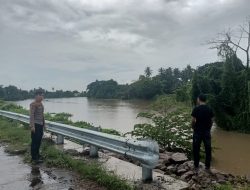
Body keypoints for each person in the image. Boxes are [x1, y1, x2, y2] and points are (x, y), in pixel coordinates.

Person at [191, 94, 214, 173]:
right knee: (208, 148)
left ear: (199, 99)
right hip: (206, 131)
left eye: (197, 99)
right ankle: (207, 166)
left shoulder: (196, 109)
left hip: (198, 131)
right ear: (205, 100)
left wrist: (193, 127)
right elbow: (212, 121)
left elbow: (193, 120)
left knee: (196, 148)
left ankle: (196, 165)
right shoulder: (209, 109)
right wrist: (209, 128)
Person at [30, 89, 45, 164]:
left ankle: (37, 155)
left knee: (39, 141)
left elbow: (42, 115)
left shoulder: (41, 104)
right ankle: (34, 158)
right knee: (35, 141)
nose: (42, 97)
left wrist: (44, 124)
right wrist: (32, 126)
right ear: (37, 96)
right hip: (35, 125)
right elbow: (31, 116)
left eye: (42, 95)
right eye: (41, 95)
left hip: (40, 125)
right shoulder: (33, 104)